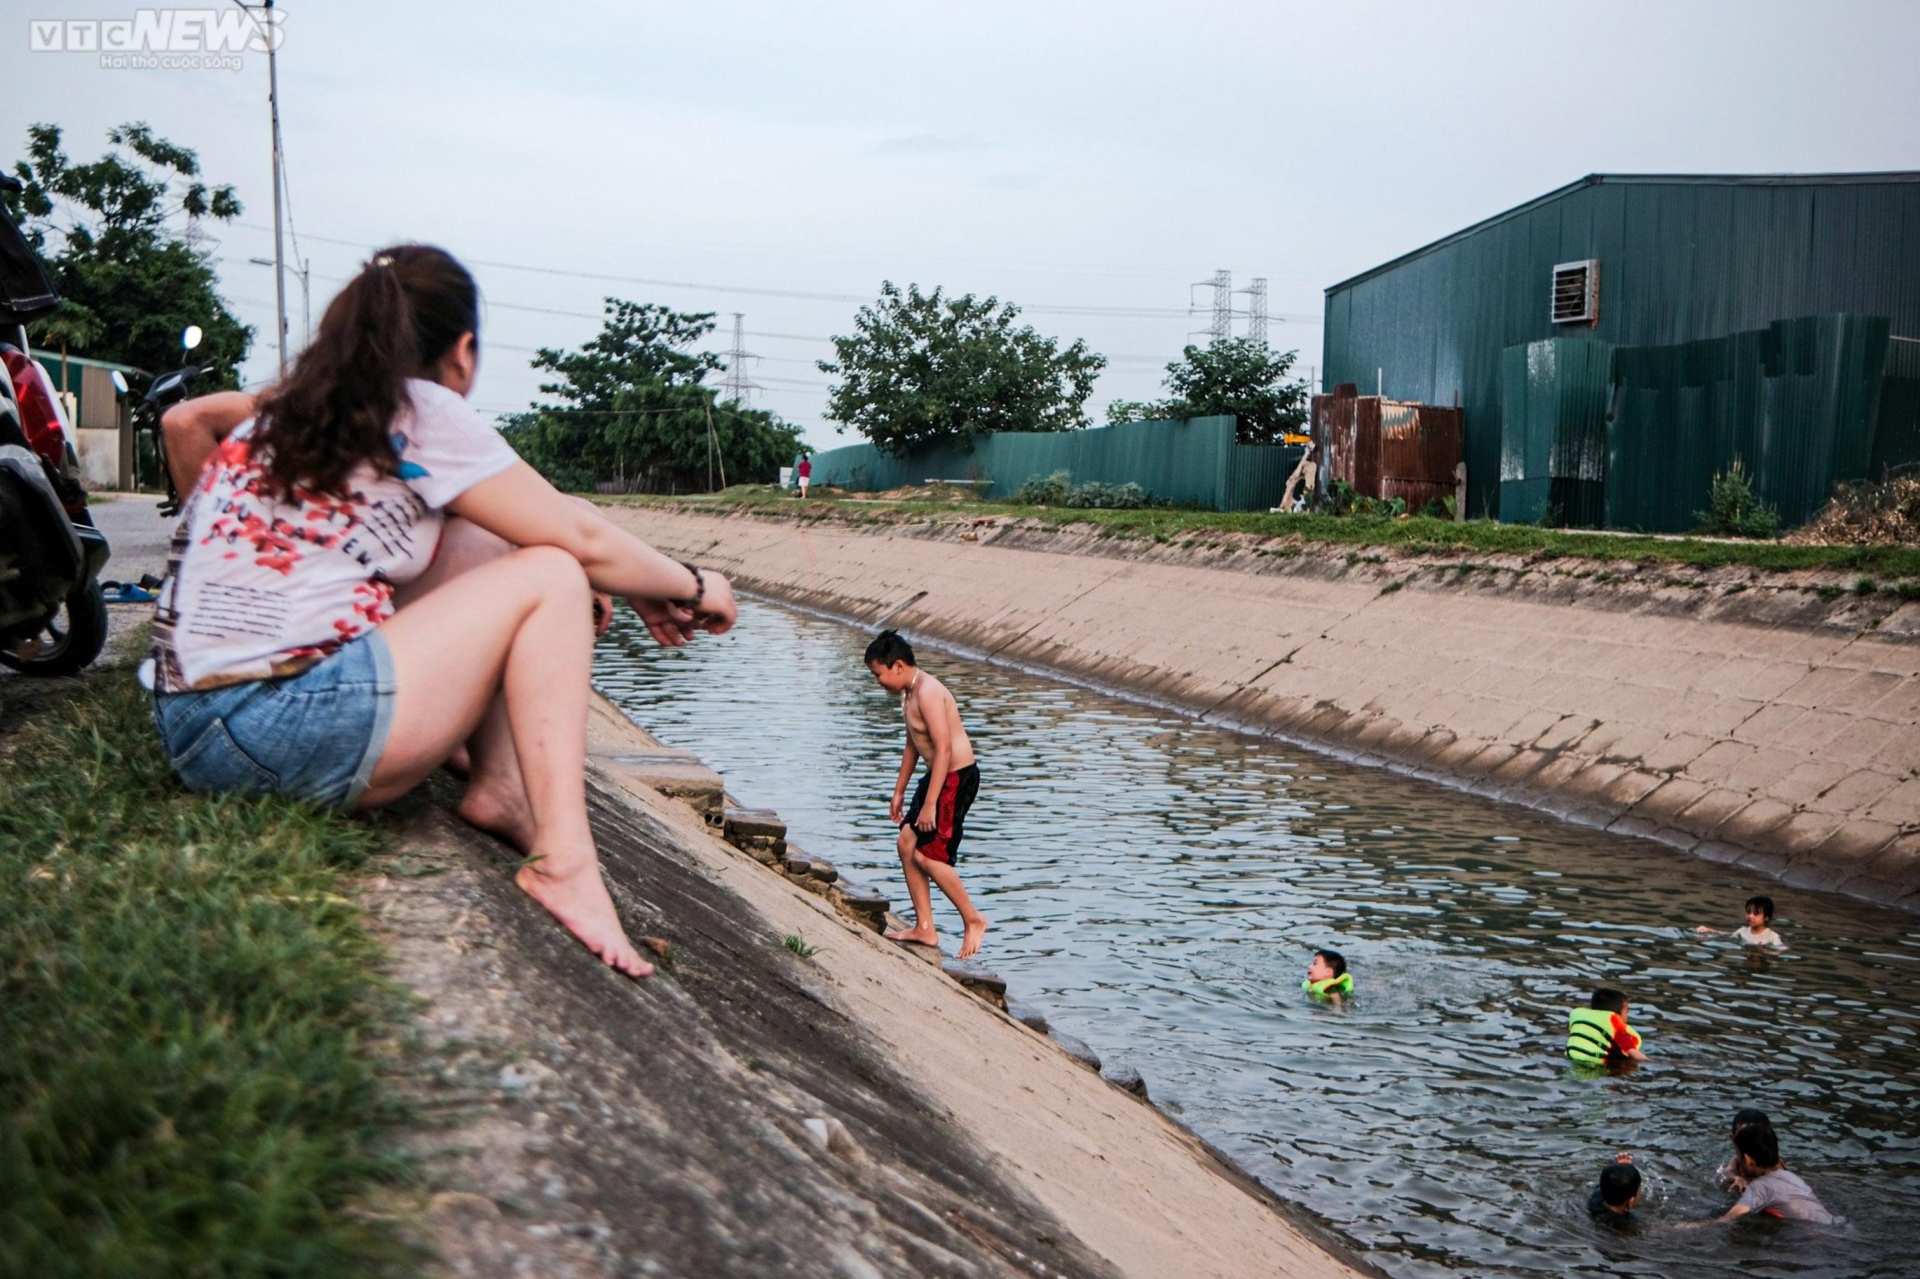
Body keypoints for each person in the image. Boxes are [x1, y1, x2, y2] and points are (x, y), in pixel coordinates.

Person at [149, 244, 738, 981]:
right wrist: (691, 582)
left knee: (496, 535)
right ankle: (565, 861)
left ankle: (502, 787)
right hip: (273, 725)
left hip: (194, 721)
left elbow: (540, 516)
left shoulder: (284, 416)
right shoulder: (420, 408)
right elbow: (575, 539)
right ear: (461, 351)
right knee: (553, 574)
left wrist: (641, 576)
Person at [864, 629, 987, 958]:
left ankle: (973, 919)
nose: (878, 682)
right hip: (937, 776)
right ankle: (925, 928)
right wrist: (899, 791)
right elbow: (913, 744)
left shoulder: (929, 692)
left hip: (955, 778)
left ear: (898, 666)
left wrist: (931, 804)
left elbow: (944, 748)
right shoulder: (909, 693)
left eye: (879, 675)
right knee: (906, 843)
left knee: (927, 856)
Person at [1694, 1122, 1836, 1225]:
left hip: (1819, 1237)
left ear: (1748, 1159)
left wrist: (1686, 1227)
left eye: (1738, 1155)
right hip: (1838, 1225)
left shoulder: (1760, 1187)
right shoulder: (1791, 1177)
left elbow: (1727, 1219)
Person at [1566, 986, 1648, 1067]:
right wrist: (1652, 1064)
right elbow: (1633, 1052)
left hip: (1574, 1061)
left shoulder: (1582, 1020)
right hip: (1601, 1069)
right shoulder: (1616, 1026)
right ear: (1617, 1015)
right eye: (1626, 1011)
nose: (1627, 1015)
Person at [1694, 894, 1785, 948]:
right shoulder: (1743, 931)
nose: (1750, 916)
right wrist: (1708, 930)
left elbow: (1780, 948)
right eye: (1748, 912)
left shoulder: (1772, 936)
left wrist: (1765, 950)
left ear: (1766, 917)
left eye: (1756, 913)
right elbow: (1727, 935)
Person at [1717, 1108, 1771, 1190]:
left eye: (1754, 1137)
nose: (1748, 1143)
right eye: (1742, 1138)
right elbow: (1727, 1172)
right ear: (1733, 1139)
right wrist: (1736, 1178)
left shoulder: (1773, 1164)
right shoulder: (1737, 1161)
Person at [1587, 1153, 1642, 1226]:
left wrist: (1621, 1168)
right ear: (1631, 1200)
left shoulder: (1595, 1200)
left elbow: (1609, 1183)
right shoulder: (1629, 1224)